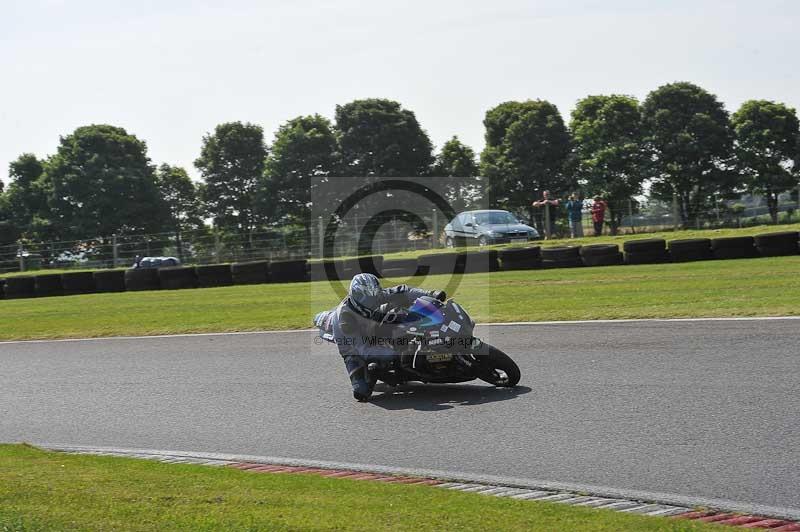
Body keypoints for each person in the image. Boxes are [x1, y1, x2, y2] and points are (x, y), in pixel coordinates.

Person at [314, 273, 446, 402]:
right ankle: (380, 373)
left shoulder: (376, 295)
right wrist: (395, 355)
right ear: (356, 295)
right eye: (366, 297)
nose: (372, 300)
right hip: (354, 348)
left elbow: (403, 291)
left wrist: (431, 294)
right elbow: (364, 350)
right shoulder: (345, 319)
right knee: (362, 392)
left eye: (375, 294)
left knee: (398, 305)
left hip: (371, 324)